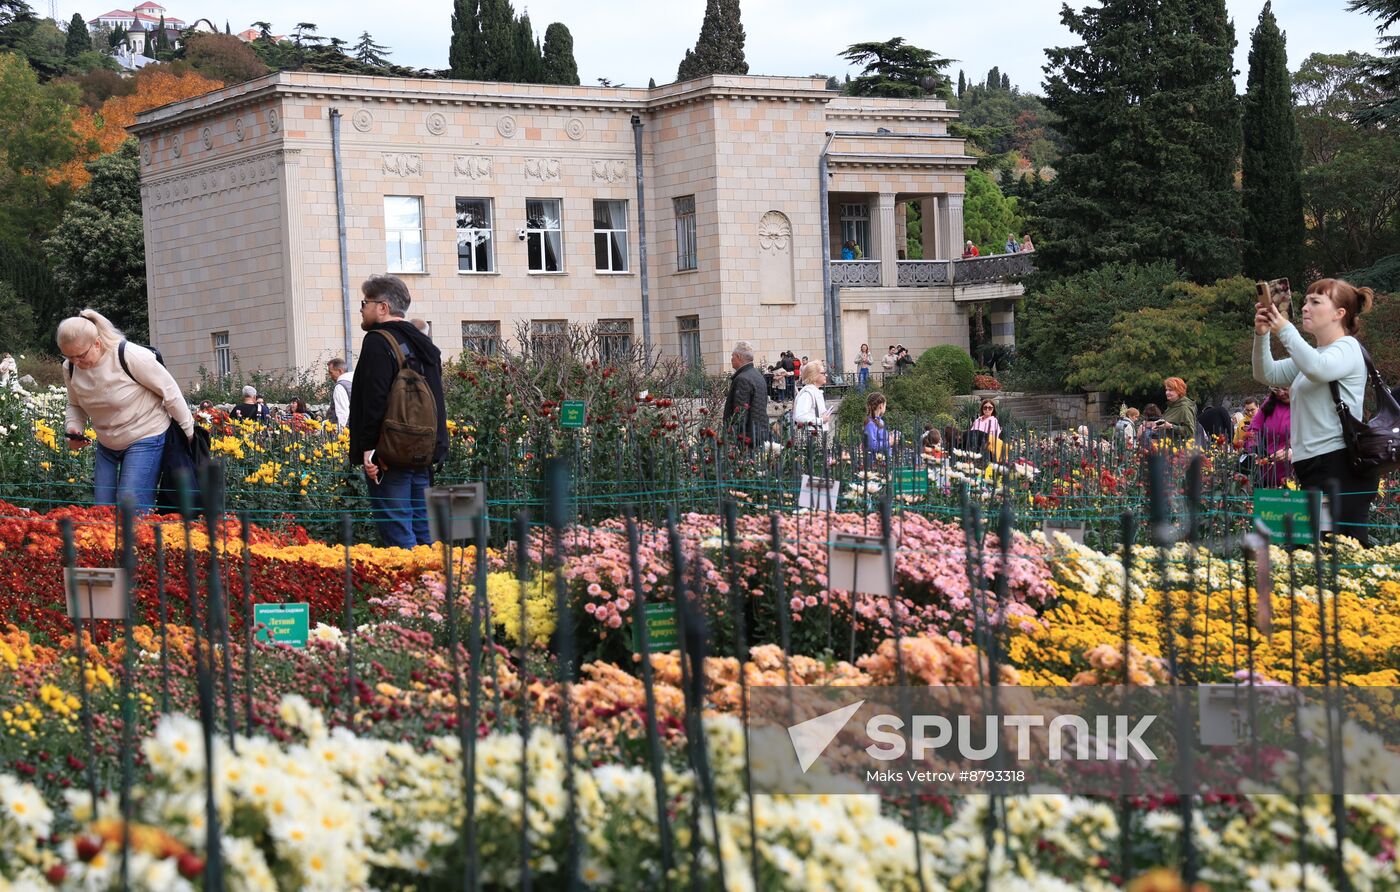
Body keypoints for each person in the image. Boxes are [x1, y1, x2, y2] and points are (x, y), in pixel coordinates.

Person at [1254, 278, 1380, 545]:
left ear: (1339, 314)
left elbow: (1317, 368)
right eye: (1304, 302)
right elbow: (1267, 373)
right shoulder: (1313, 353)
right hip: (1313, 465)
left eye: (1315, 302)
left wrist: (1285, 329)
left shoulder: (1347, 348)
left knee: (1343, 551)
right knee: (1314, 554)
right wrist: (1262, 333)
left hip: (1340, 465)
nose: (1304, 308)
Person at [58, 309, 195, 514]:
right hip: (107, 443)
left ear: (97, 343)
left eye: (81, 355)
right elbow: (75, 405)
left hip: (145, 435)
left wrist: (189, 434)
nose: (76, 362)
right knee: (101, 511)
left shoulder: (128, 355)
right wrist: (74, 429)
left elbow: (170, 391)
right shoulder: (69, 368)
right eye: (69, 356)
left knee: (131, 506)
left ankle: (140, 545)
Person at [348, 274, 448, 549]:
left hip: (390, 454)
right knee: (423, 530)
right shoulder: (425, 344)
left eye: (364, 302)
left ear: (382, 307)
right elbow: (437, 399)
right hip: (423, 451)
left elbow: (374, 399)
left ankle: (411, 588)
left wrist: (370, 449)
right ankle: (435, 586)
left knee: (399, 534)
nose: (361, 308)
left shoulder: (378, 341)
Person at [722, 341, 768, 446]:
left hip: (747, 439)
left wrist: (732, 439)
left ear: (738, 357)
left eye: (732, 356)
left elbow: (740, 414)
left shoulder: (743, 379)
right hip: (759, 433)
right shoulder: (758, 375)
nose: (731, 359)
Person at [1247, 387, 1292, 488]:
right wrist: (1255, 449)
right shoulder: (1270, 402)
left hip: (1293, 474)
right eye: (1276, 389)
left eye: (1285, 389)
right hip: (1266, 473)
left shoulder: (1306, 403)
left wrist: (1294, 452)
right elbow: (1253, 428)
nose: (1281, 393)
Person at [792, 360, 833, 432]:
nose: (825, 375)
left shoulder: (814, 391)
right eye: (823, 373)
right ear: (814, 375)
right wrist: (820, 420)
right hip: (811, 437)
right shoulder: (807, 393)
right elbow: (799, 417)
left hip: (816, 435)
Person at [1157, 377, 1198, 445]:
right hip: (1167, 448)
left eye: (1170, 390)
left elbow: (1189, 431)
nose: (1167, 392)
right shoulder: (1171, 406)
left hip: (1179, 450)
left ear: (1179, 391)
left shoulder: (1184, 408)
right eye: (1166, 390)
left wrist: (1171, 426)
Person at [863, 392, 891, 465]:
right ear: (881, 406)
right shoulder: (870, 423)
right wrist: (889, 442)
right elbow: (872, 446)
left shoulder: (881, 421)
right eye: (885, 405)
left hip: (885, 460)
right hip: (875, 463)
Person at [327, 358, 353, 428]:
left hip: (345, 432)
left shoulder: (340, 386)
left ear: (340, 371)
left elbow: (342, 413)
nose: (330, 376)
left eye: (331, 372)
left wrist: (340, 434)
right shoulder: (354, 382)